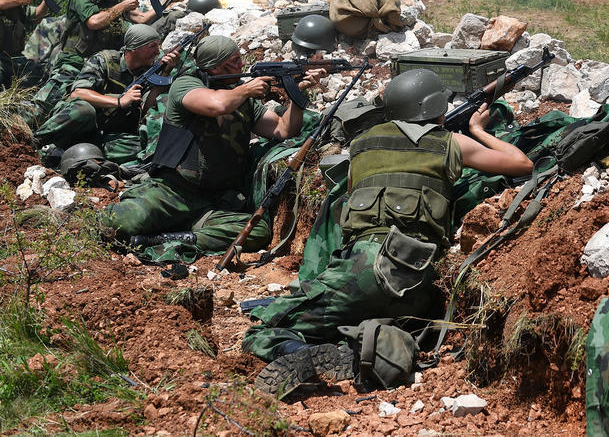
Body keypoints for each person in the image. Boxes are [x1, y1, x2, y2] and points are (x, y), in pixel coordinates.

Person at [242, 68, 533, 398]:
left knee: (265, 331)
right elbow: (522, 164)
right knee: (365, 314)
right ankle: (370, 351)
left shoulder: (363, 145)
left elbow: (351, 197)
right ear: (437, 107)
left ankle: (320, 356)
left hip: (364, 270)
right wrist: (477, 129)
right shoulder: (453, 142)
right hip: (424, 285)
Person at [101, 36, 325, 249]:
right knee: (117, 224)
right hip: (173, 191)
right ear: (215, 68)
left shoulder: (241, 99)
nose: (242, 65)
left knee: (258, 232)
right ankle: (175, 228)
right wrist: (246, 89)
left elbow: (282, 129)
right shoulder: (186, 85)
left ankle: (168, 238)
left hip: (213, 201)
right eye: (234, 61)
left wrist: (298, 94)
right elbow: (216, 105)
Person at [27, 0, 185, 123]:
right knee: (44, 104)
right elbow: (93, 22)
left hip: (102, 66)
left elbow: (141, 20)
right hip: (74, 63)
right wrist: (123, 5)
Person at [33, 24, 180, 164]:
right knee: (84, 110)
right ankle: (35, 142)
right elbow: (78, 93)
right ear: (134, 48)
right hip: (79, 121)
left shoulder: (149, 70)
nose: (157, 51)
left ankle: (71, 154)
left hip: (105, 134)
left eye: (158, 45)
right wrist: (118, 102)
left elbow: (146, 110)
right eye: (152, 46)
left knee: (143, 145)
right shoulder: (105, 60)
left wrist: (165, 72)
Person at [0, 0, 59, 87]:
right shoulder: (16, 0)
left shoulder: (14, 0)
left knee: (42, 73)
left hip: (14, 60)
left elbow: (36, 16)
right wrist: (20, 1)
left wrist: (48, 0)